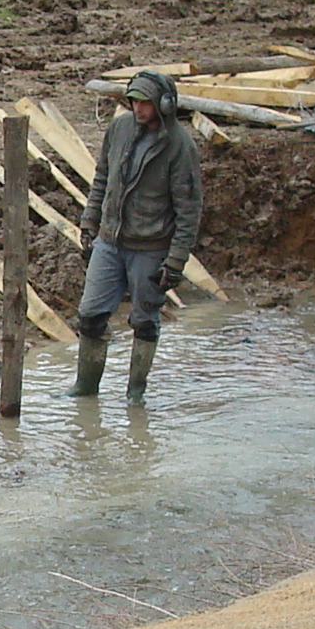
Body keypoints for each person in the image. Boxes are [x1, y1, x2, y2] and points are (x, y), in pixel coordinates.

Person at [77, 68, 203, 400]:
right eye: (134, 101)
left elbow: (188, 210)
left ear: (164, 104)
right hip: (109, 241)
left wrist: (175, 260)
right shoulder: (118, 128)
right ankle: (85, 389)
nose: (138, 109)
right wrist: (90, 223)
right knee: (90, 315)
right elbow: (102, 178)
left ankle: (135, 394)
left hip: (151, 248)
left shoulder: (179, 146)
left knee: (144, 322)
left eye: (146, 102)